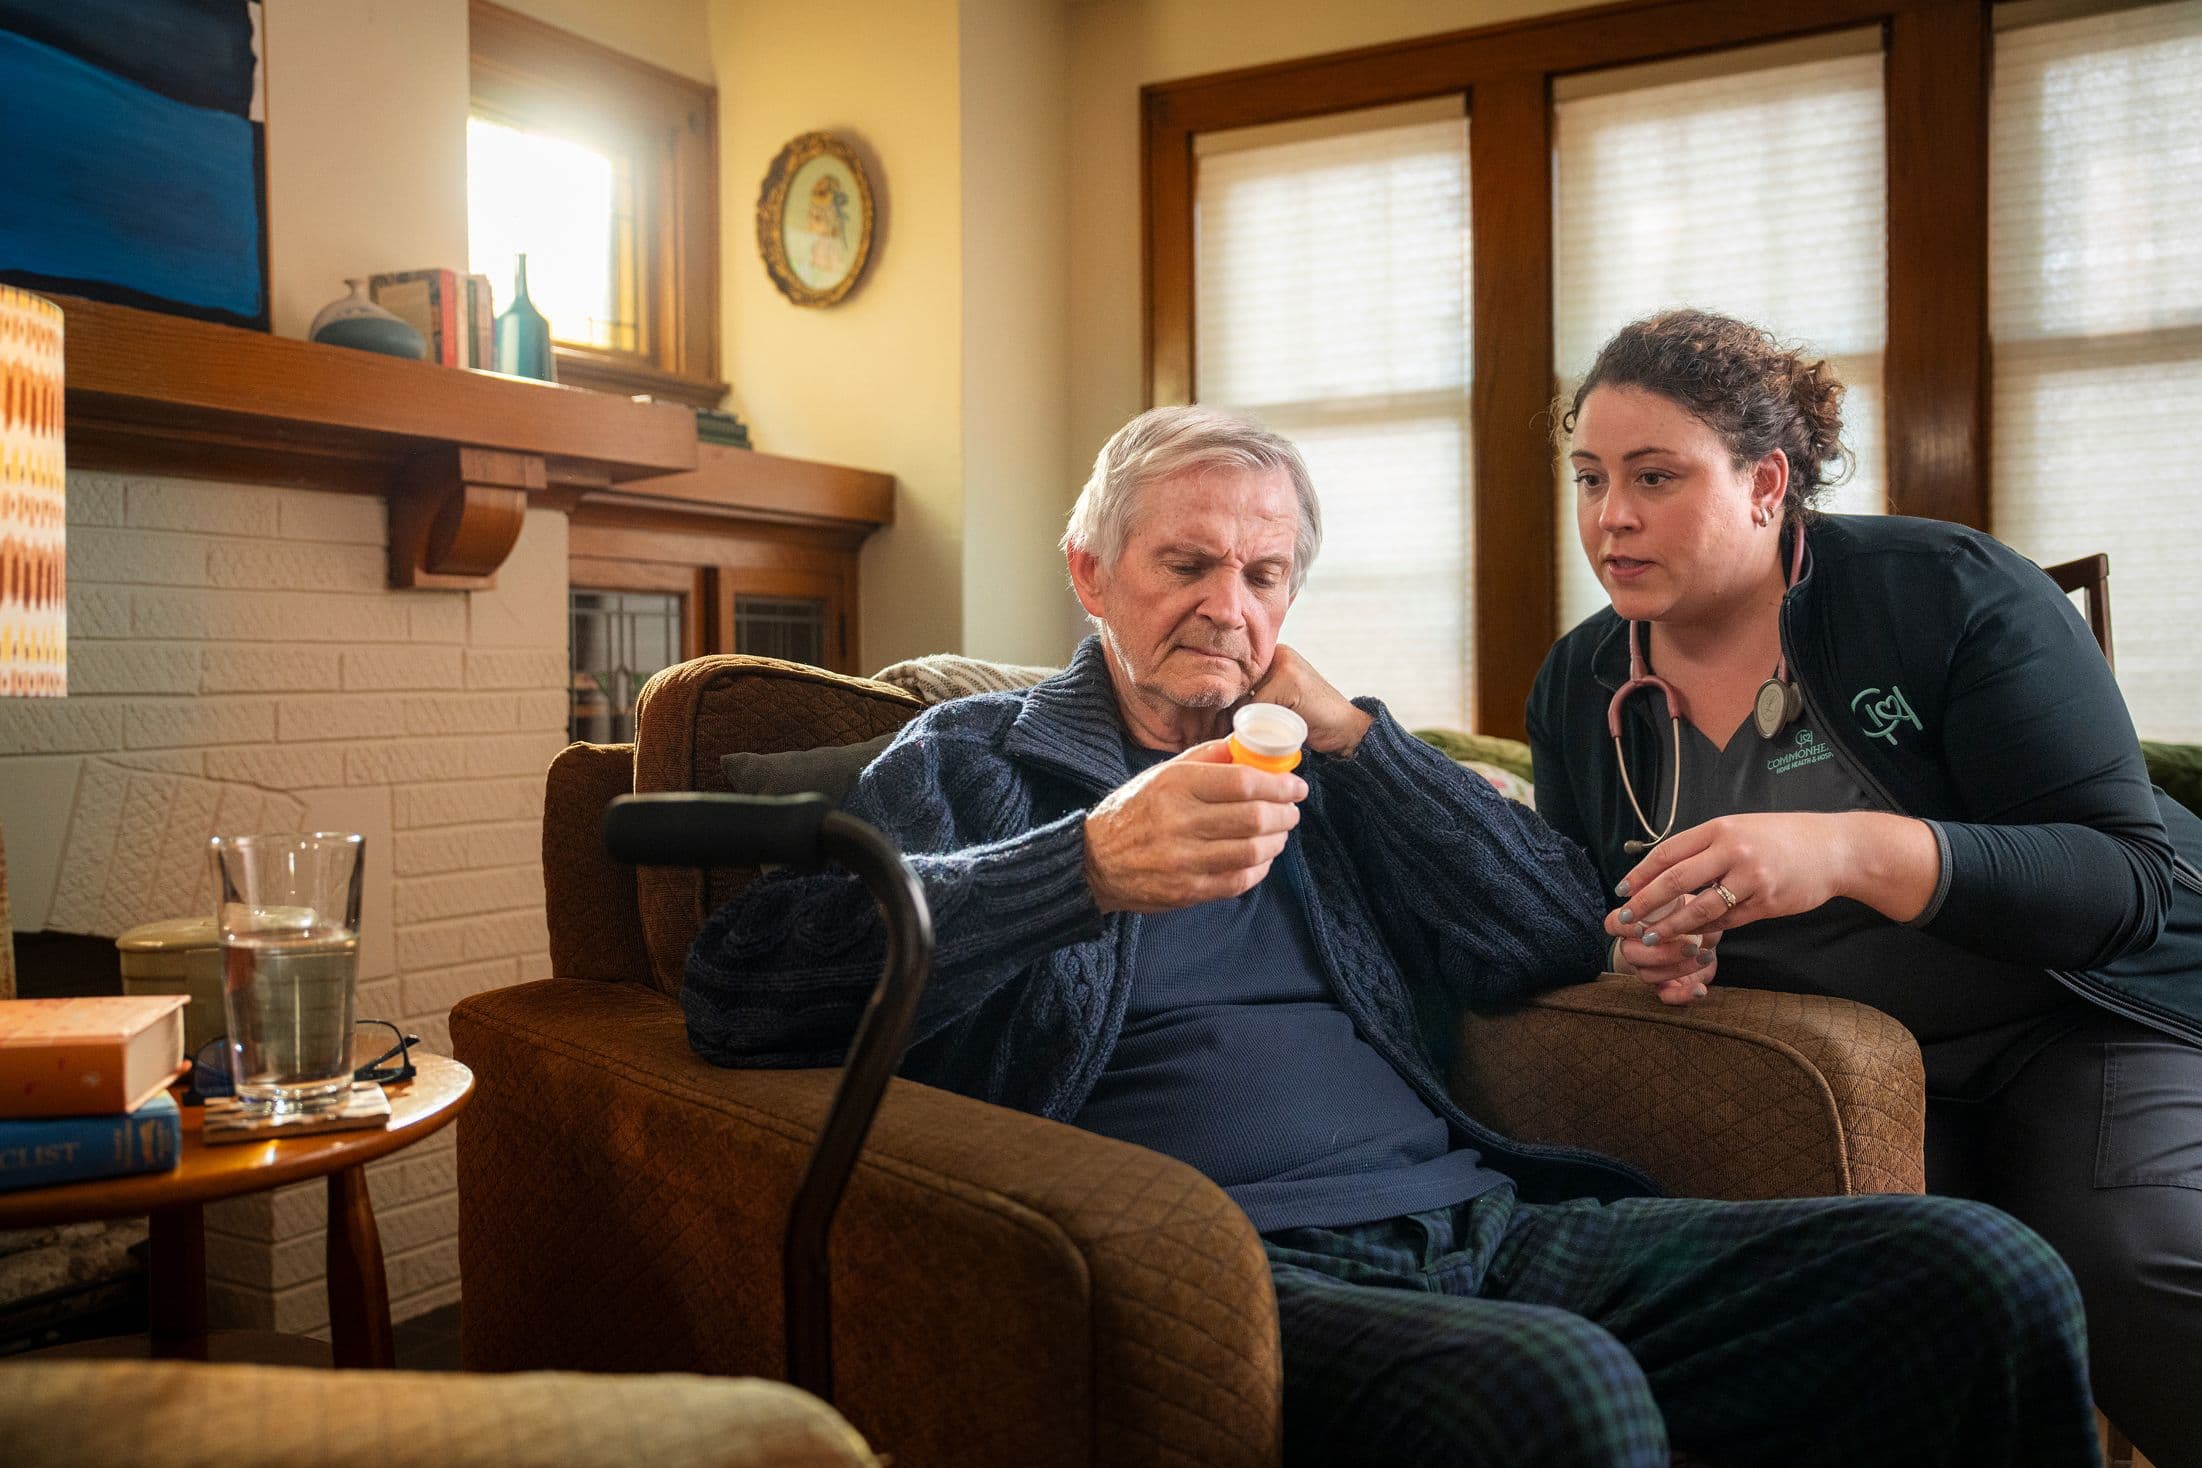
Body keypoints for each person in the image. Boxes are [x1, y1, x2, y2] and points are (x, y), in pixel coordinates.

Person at [688, 404, 2099, 1467]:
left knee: (1980, 1272)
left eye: (1264, 574)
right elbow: (742, 993)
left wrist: (1362, 739)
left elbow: (1550, 933)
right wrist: (1083, 868)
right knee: (1552, 1388)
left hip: (1482, 1224)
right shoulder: (971, 760)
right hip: (1228, 1267)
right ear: (1091, 571)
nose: (1227, 607)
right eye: (1186, 563)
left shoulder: (1325, 766)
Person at [1529, 309, 2202, 1468]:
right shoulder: (1580, 681)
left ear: (1765, 483)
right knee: (1890, 1307)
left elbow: (2123, 881)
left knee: (2126, 1254)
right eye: (1590, 477)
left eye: (1654, 476)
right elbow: (1583, 904)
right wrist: (1645, 944)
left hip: (2078, 1020)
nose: (1610, 516)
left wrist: (1847, 850)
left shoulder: (1946, 592)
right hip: (1853, 1064)